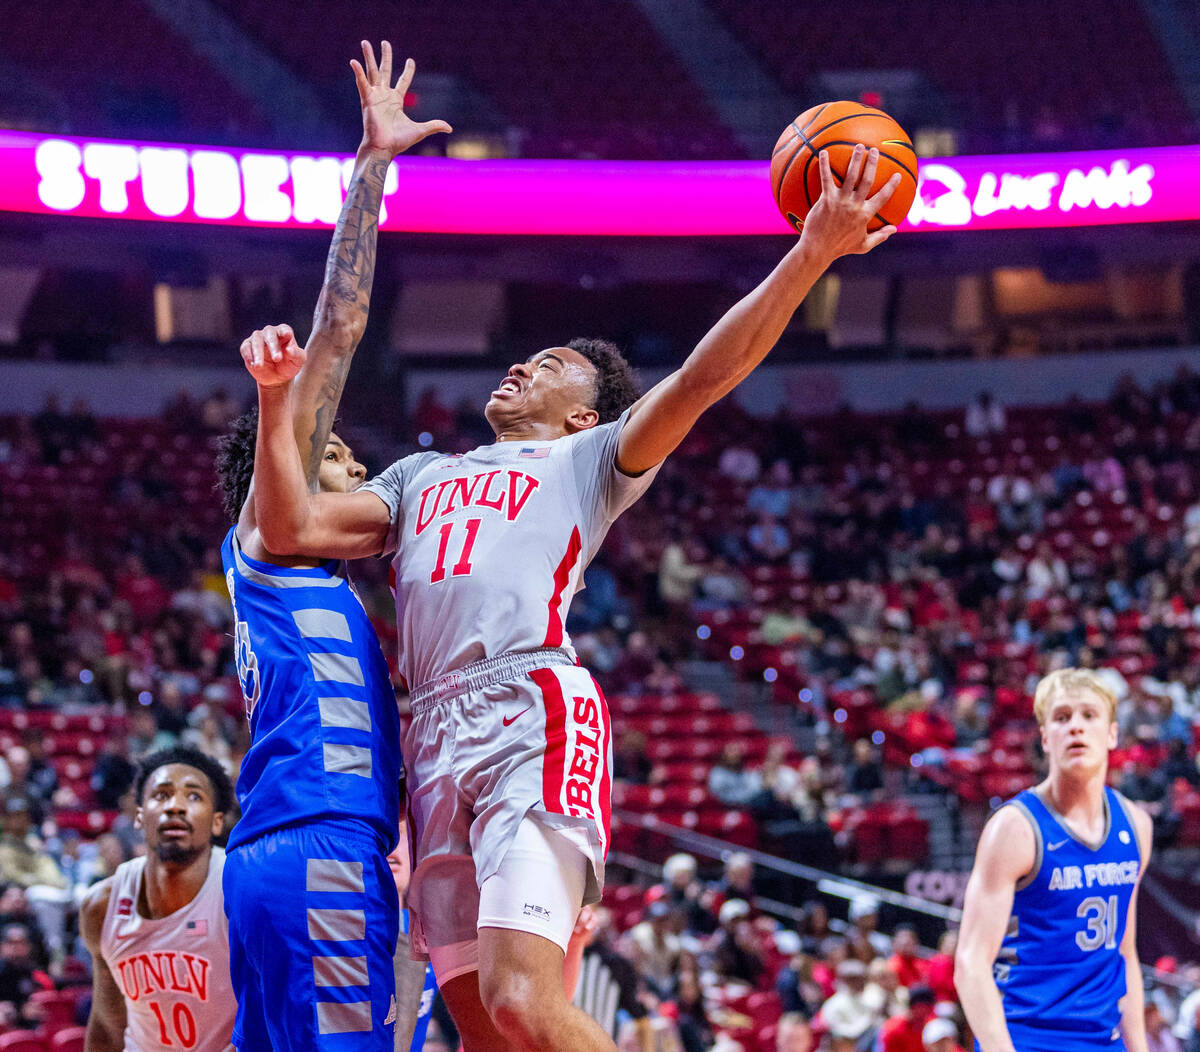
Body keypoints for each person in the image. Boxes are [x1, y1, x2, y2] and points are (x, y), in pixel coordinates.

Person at [242, 141, 900, 1051]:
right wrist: (277, 400)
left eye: (549, 365)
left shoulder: (588, 462)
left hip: (529, 708)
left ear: (584, 415)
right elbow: (289, 530)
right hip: (432, 735)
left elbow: (707, 376)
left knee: (520, 999)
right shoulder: (418, 474)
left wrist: (812, 253)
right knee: (479, 1025)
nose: (520, 368)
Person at [215, 41, 450, 1052]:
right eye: (341, 453)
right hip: (321, 842)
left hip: (273, 850)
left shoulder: (286, 571)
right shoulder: (275, 525)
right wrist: (373, 167)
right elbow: (341, 324)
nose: (356, 464)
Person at [956, 668, 1153, 1052]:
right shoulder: (1015, 829)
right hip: (1025, 1038)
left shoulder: (1136, 825)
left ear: (1112, 733)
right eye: (1062, 718)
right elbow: (970, 964)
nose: (1075, 727)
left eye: (1088, 716)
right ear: (1046, 738)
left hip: (1104, 1040)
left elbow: (1124, 954)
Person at [80, 746, 236, 1052]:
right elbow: (107, 1026)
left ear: (217, 821)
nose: (175, 807)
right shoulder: (101, 905)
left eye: (193, 796)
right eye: (161, 795)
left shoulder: (237, 890)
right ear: (139, 816)